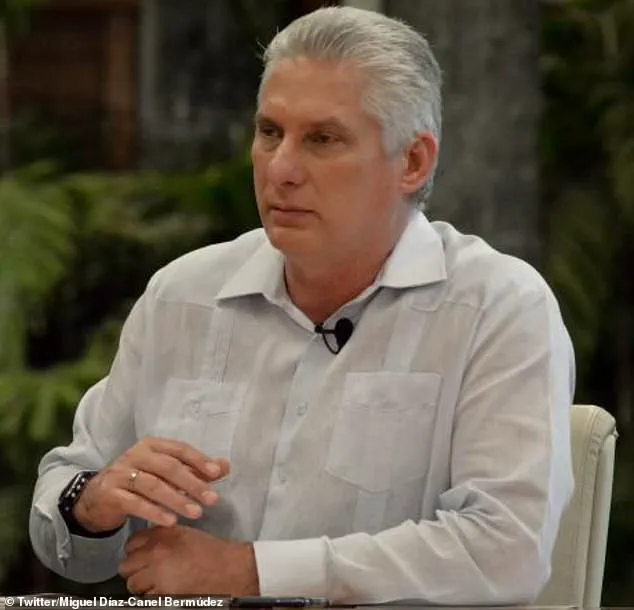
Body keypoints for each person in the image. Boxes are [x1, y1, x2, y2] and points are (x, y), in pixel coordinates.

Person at [29, 5, 575, 605]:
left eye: (322, 140)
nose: (281, 169)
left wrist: (251, 571)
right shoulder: (182, 296)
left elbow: (506, 551)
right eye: (269, 133)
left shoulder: (496, 309)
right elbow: (66, 510)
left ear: (413, 162)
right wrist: (92, 504)